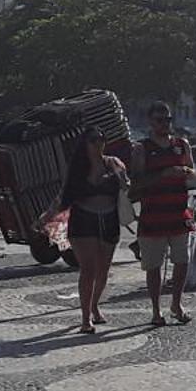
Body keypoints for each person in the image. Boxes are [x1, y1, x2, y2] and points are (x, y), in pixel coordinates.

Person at [128, 101, 196, 326]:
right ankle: (156, 310)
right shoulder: (142, 148)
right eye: (160, 120)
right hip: (153, 215)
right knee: (153, 266)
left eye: (168, 119)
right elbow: (136, 183)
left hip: (178, 213)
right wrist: (163, 174)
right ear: (151, 122)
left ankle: (177, 303)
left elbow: (193, 172)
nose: (165, 124)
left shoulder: (181, 144)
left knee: (182, 261)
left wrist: (184, 171)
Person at [59, 129, 127, 331]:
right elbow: (66, 193)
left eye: (101, 140)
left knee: (103, 269)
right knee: (88, 269)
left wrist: (125, 182)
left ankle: (95, 305)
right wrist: (48, 215)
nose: (98, 144)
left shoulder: (113, 163)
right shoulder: (78, 167)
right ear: (85, 144)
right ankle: (85, 318)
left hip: (108, 218)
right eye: (93, 141)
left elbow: (126, 187)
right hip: (84, 219)